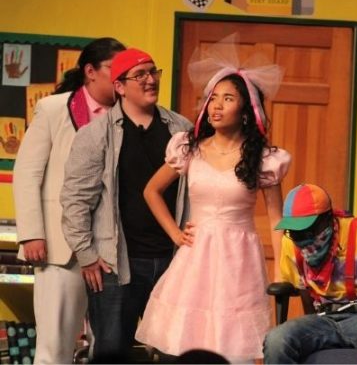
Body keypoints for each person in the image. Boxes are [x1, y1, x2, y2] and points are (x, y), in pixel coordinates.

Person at [135, 65, 291, 362]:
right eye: (213, 98)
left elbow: (275, 220)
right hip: (196, 258)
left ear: (246, 110)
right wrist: (175, 233)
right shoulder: (188, 148)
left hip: (239, 260)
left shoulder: (263, 159)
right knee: (186, 342)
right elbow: (151, 191)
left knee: (232, 347)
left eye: (228, 99)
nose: (216, 106)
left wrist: (282, 271)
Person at [60, 48, 192, 362]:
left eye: (153, 72)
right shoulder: (96, 136)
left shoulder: (181, 130)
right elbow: (75, 199)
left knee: (175, 350)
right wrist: (87, 254)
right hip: (116, 264)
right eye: (140, 74)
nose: (150, 80)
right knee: (111, 352)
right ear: (119, 86)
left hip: (172, 260)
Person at [13, 38, 125, 365]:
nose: (122, 78)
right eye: (115, 70)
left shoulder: (127, 114)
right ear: (90, 71)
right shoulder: (54, 109)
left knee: (107, 345)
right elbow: (28, 172)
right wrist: (33, 232)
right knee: (54, 345)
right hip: (60, 247)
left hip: (110, 247)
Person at [264, 184, 357, 364]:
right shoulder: (291, 244)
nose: (303, 239)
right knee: (276, 340)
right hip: (325, 318)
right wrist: (311, 328)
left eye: (308, 230)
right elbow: (306, 294)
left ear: (328, 218)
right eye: (295, 232)